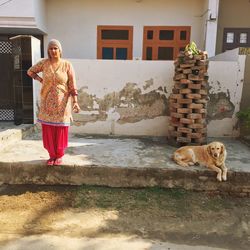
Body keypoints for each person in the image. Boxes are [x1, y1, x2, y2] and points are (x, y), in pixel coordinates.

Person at [27, 39, 80, 166]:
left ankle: (59, 155)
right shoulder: (44, 64)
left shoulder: (67, 65)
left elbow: (72, 85)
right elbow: (30, 71)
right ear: (48, 51)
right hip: (47, 104)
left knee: (61, 130)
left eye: (55, 48)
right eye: (51, 48)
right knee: (49, 129)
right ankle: (51, 155)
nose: (53, 50)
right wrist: (41, 80)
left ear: (60, 50)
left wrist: (75, 102)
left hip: (63, 104)